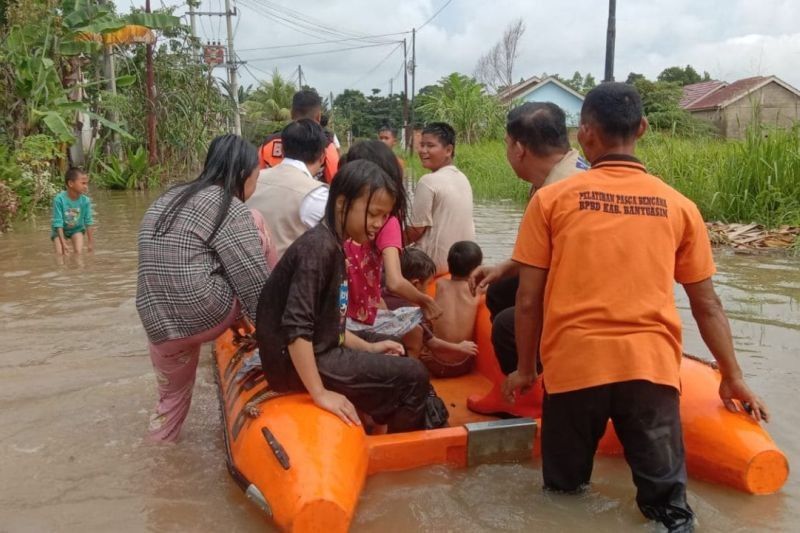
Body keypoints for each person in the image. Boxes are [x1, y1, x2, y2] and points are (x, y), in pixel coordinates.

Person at [503, 83, 769, 532]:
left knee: (564, 498)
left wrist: (526, 370)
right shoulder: (680, 207)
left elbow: (527, 301)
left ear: (585, 135)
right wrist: (734, 377)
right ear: (642, 128)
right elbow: (707, 305)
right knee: (670, 513)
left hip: (574, 369)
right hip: (653, 373)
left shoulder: (551, 200)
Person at [256, 160, 448, 432]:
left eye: (384, 217)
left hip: (320, 348)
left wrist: (369, 349)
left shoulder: (333, 244)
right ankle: (395, 456)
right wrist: (320, 393)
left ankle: (372, 420)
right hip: (293, 366)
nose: (379, 224)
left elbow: (329, 323)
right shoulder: (318, 249)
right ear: (342, 203)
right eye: (373, 214)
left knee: (389, 342)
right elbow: (297, 330)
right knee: (415, 375)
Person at [136, 134, 272, 442]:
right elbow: (254, 282)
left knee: (168, 404)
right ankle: (268, 324)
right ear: (243, 175)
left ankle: (157, 464)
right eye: (256, 177)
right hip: (205, 313)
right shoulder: (231, 206)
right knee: (258, 221)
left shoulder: (169, 197)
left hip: (157, 324)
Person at [469, 102, 588, 374]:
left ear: (520, 149)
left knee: (508, 326)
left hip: (581, 298)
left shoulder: (558, 192)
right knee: (500, 289)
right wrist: (507, 266)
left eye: (506, 144)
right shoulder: (568, 168)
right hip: (571, 280)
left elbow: (531, 298)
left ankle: (528, 384)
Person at [341, 140, 442, 340]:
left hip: (340, 319)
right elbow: (395, 282)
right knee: (415, 343)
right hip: (359, 322)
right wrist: (426, 302)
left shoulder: (339, 214)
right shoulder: (388, 221)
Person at [247, 119, 329, 259]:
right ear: (322, 157)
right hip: (290, 277)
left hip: (248, 272)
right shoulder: (317, 193)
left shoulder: (252, 180)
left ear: (283, 151)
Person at [407, 122, 475, 274]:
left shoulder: (428, 181)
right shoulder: (463, 178)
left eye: (430, 146)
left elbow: (415, 230)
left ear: (448, 150)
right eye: (421, 145)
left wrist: (388, 245)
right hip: (461, 265)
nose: (423, 151)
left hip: (431, 266)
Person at [258, 89, 340, 184]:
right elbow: (335, 184)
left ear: (292, 113)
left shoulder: (269, 143)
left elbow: (256, 180)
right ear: (318, 117)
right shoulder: (326, 147)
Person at [432, 241, 483, 344]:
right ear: (476, 269)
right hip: (464, 356)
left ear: (448, 263)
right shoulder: (476, 288)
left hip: (436, 352)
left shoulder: (440, 284)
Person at [51, 167, 95, 255]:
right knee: (60, 255)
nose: (86, 186)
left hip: (76, 229)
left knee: (78, 253)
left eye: (86, 183)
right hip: (60, 231)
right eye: (83, 183)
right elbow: (58, 223)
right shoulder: (59, 200)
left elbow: (88, 222)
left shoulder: (85, 201)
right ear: (71, 183)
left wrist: (90, 243)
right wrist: (63, 243)